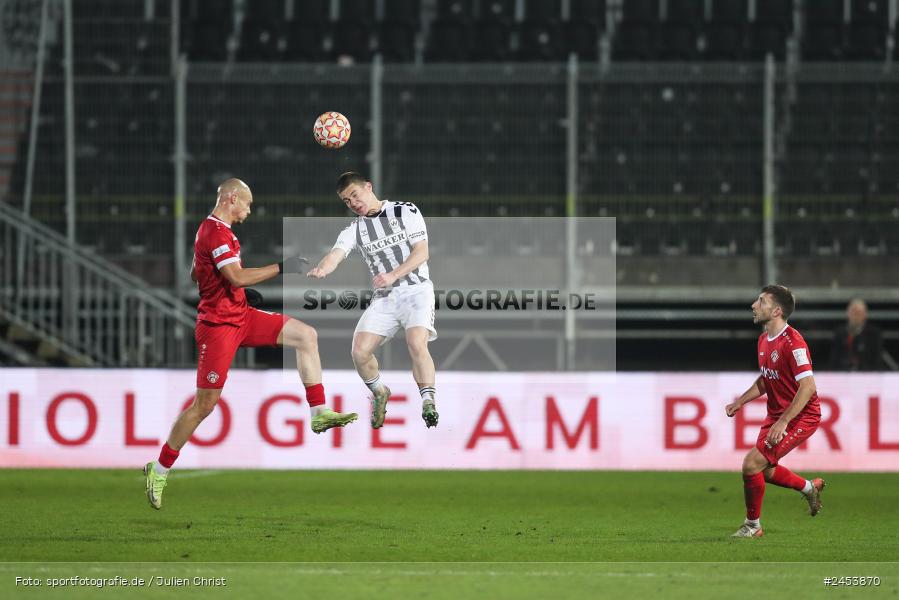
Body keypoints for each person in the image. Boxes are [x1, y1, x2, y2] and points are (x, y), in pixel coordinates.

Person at [143, 178, 358, 510]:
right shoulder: (214, 232)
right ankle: (159, 469)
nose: (249, 211)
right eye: (247, 204)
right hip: (218, 327)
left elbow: (195, 275)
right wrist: (282, 268)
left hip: (240, 315)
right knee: (204, 406)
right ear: (232, 199)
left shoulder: (216, 233)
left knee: (306, 336)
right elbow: (236, 276)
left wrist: (235, 293)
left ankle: (318, 412)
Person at [307, 172, 438, 429]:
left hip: (416, 290)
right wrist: (323, 268)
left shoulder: (404, 210)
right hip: (385, 298)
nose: (353, 203)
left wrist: (393, 275)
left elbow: (422, 252)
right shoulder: (355, 229)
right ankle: (379, 391)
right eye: (346, 201)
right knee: (359, 351)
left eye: (354, 195)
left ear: (369, 187)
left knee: (416, 341)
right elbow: (336, 254)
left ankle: (429, 401)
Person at [725, 285, 826, 538]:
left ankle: (752, 525)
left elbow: (808, 386)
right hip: (777, 416)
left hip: (801, 416)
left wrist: (783, 422)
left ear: (777, 311)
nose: (754, 305)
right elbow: (766, 379)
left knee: (751, 465)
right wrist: (742, 401)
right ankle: (808, 488)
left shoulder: (794, 344)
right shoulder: (763, 340)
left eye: (761, 301)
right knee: (764, 470)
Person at [829, 298, 883, 371]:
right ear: (848, 313)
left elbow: (876, 358)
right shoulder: (840, 332)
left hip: (867, 373)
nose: (856, 316)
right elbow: (835, 358)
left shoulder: (873, 333)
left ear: (865, 314)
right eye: (854, 312)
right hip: (843, 373)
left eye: (859, 313)